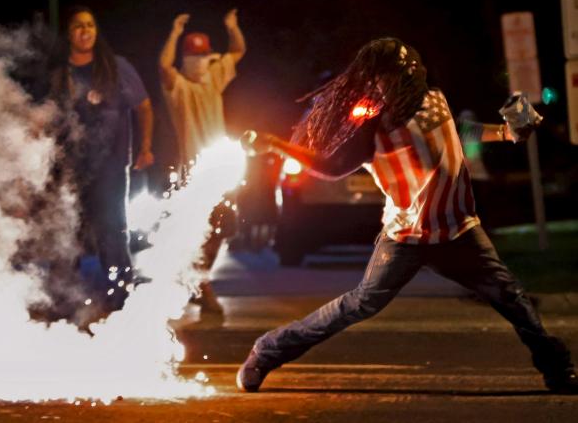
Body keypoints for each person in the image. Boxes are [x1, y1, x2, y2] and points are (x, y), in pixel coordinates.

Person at [237, 37, 578, 394]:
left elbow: (457, 130)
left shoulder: (434, 99)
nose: (397, 82)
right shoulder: (371, 121)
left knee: (511, 298)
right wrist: (275, 143)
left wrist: (505, 133)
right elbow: (333, 167)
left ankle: (558, 370)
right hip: (406, 237)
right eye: (388, 77)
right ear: (376, 80)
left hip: (459, 230)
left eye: (404, 74)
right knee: (358, 305)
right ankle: (267, 351)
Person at [49, 6, 154, 308]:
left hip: (109, 166)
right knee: (66, 231)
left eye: (90, 25)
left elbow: (144, 107)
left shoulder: (116, 67)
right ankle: (63, 299)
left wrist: (145, 147)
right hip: (70, 167)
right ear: (69, 34)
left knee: (111, 230)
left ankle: (120, 296)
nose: (85, 31)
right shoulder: (60, 74)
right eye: (79, 26)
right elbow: (47, 116)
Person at [158, 9, 246, 316]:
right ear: (187, 59)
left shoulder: (213, 80)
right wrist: (174, 33)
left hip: (220, 170)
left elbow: (237, 51)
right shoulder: (180, 88)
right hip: (193, 174)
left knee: (222, 229)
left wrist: (231, 27)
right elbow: (163, 66)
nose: (200, 62)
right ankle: (202, 287)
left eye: (203, 56)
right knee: (200, 230)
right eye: (194, 57)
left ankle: (197, 280)